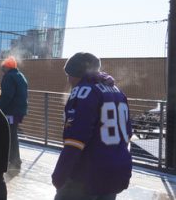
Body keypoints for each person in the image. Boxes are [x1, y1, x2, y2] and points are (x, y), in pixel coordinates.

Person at [51, 52, 132, 200]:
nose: (68, 80)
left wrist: (59, 175)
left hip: (87, 175)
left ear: (77, 73)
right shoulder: (118, 92)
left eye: (69, 74)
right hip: (116, 172)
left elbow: (75, 140)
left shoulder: (83, 91)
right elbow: (127, 135)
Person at [0, 56, 29, 176]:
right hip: (18, 111)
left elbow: (7, 95)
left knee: (9, 135)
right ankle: (15, 160)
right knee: (12, 134)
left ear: (7, 67)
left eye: (3, 67)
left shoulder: (9, 77)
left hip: (10, 111)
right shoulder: (20, 76)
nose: (2, 69)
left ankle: (13, 160)